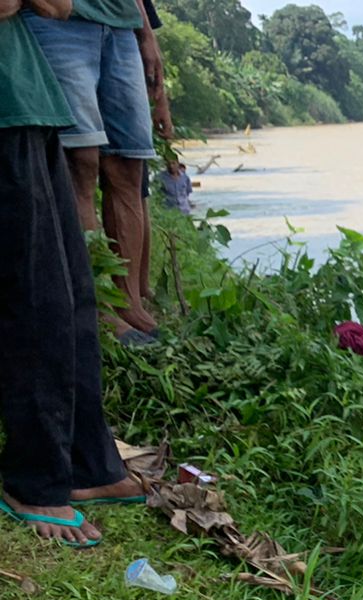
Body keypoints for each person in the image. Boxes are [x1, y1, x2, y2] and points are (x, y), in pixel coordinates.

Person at [1, 0, 144, 548]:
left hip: (30, 98)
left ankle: (89, 465)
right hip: (8, 106)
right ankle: (35, 481)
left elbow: (58, 6)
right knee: (32, 298)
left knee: (71, 296)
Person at [24, 0, 166, 341]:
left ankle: (129, 302)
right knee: (79, 164)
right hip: (60, 22)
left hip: (121, 25)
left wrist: (146, 35)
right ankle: (96, 307)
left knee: (129, 165)